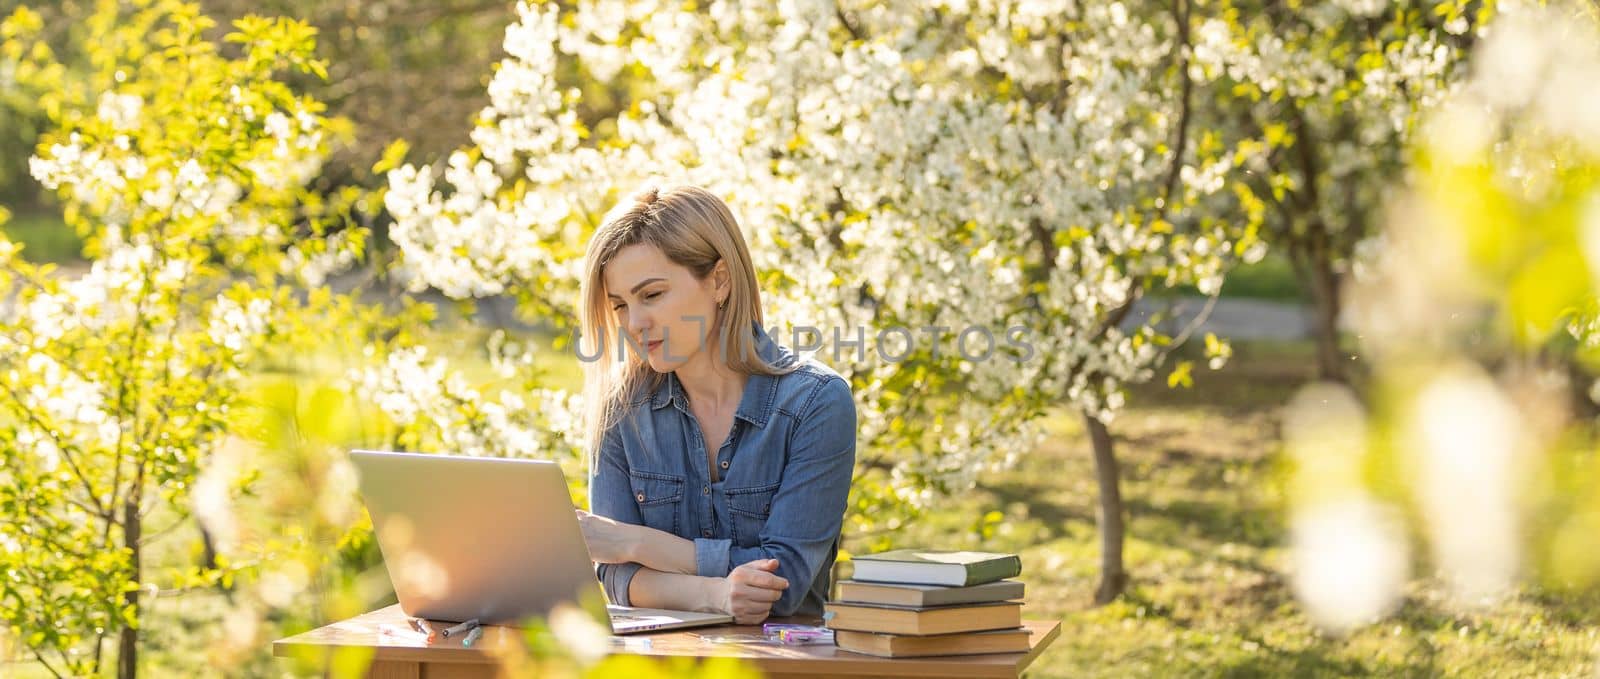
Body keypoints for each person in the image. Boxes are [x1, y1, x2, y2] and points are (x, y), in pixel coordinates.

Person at [573, 184, 856, 624]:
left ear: (719, 281)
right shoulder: (620, 409)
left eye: (652, 295)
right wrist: (716, 594)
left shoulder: (815, 403)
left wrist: (636, 542)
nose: (634, 323)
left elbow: (783, 586)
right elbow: (615, 577)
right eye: (620, 305)